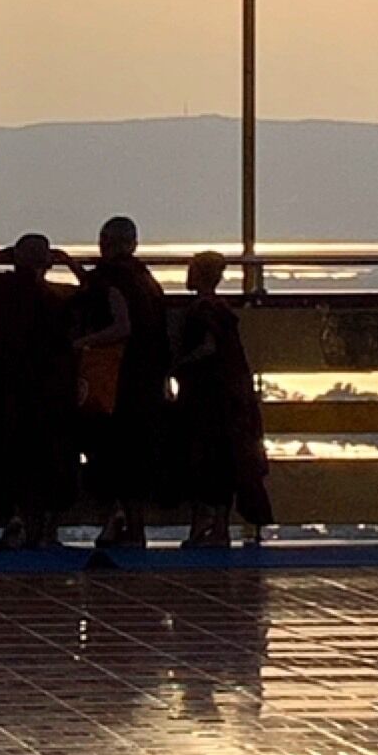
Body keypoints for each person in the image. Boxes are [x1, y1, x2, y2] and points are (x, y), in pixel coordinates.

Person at [0, 233, 81, 552]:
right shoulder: (56, 297)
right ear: (46, 263)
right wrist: (70, 263)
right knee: (52, 458)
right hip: (50, 387)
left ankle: (16, 519)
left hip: (8, 386)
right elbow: (92, 290)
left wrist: (4, 254)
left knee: (13, 456)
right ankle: (47, 529)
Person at [76, 215, 171, 549]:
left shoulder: (109, 280)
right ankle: (133, 526)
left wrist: (82, 343)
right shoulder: (147, 280)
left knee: (114, 454)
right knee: (138, 454)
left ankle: (121, 521)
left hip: (116, 382)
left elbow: (121, 326)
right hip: (148, 380)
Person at [169, 249, 274, 547]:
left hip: (206, 395)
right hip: (227, 396)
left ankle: (206, 525)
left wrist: (177, 366)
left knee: (206, 458)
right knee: (224, 459)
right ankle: (219, 526)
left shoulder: (203, 312)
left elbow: (208, 347)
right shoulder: (221, 310)